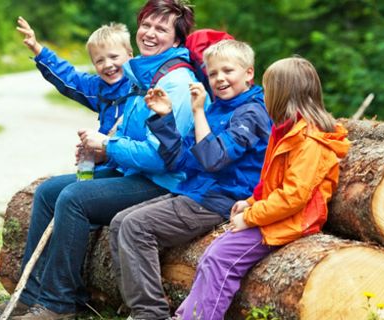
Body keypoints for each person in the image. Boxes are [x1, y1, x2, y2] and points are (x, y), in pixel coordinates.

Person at [0, 1, 199, 319]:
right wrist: (101, 150)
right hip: (133, 171)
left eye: (161, 29)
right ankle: (30, 295)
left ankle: (59, 304)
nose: (150, 33)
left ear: (177, 40)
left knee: (74, 198)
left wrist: (108, 146)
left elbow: (161, 158)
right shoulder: (144, 70)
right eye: (147, 25)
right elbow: (91, 91)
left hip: (163, 183)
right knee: (48, 192)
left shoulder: (175, 83)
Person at [173, 56, 350, 320]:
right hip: (276, 213)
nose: (265, 95)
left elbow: (293, 197)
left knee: (220, 258)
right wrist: (252, 202)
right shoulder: (287, 130)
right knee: (213, 253)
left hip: (294, 220)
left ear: (283, 94)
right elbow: (272, 182)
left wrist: (250, 217)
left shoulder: (311, 141)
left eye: (269, 89)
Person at [108, 39, 271, 320]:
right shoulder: (218, 109)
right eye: (212, 73)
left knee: (136, 226)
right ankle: (133, 306)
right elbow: (180, 160)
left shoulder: (252, 113)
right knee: (120, 221)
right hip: (196, 190)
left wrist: (197, 112)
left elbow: (214, 159)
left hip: (223, 199)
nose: (219, 79)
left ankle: (150, 314)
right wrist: (165, 118)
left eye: (227, 71)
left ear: (248, 73)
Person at [16, 17, 133, 136]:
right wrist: (36, 48)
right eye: (99, 61)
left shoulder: (141, 85)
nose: (107, 65)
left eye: (114, 57)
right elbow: (69, 76)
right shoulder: (97, 87)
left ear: (130, 56)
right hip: (109, 151)